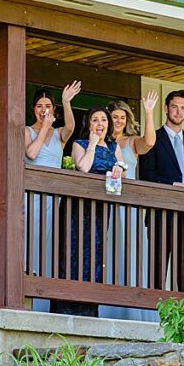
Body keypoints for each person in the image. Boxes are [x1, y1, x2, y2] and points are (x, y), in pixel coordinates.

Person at [53, 106, 124, 316]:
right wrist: (92, 145)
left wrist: (119, 171)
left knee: (95, 253)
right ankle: (67, 306)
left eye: (103, 120)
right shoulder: (79, 144)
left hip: (101, 209)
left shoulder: (114, 147)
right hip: (78, 207)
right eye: (95, 120)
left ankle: (90, 308)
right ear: (88, 124)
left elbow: (121, 173)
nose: (100, 124)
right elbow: (83, 167)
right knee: (73, 251)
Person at [138, 89, 184, 294]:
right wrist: (171, 185)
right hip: (161, 211)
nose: (178, 112)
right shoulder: (154, 138)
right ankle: (156, 314)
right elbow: (146, 173)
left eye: (183, 108)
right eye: (175, 107)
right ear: (166, 109)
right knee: (158, 266)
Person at [99, 93, 160, 323]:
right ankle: (108, 308)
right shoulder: (101, 142)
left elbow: (150, 142)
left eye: (122, 117)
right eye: (114, 117)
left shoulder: (132, 142)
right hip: (107, 202)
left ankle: (134, 307)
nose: (118, 121)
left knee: (131, 251)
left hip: (130, 205)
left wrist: (149, 112)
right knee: (108, 250)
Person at [24, 82, 79, 312]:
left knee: (49, 245)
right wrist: (44, 126)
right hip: (31, 196)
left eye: (47, 105)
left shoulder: (59, 135)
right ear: (33, 109)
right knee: (30, 241)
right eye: (39, 105)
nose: (43, 109)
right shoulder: (27, 130)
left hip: (53, 198)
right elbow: (32, 153)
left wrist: (66, 102)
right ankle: (26, 295)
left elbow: (71, 127)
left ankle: (45, 301)